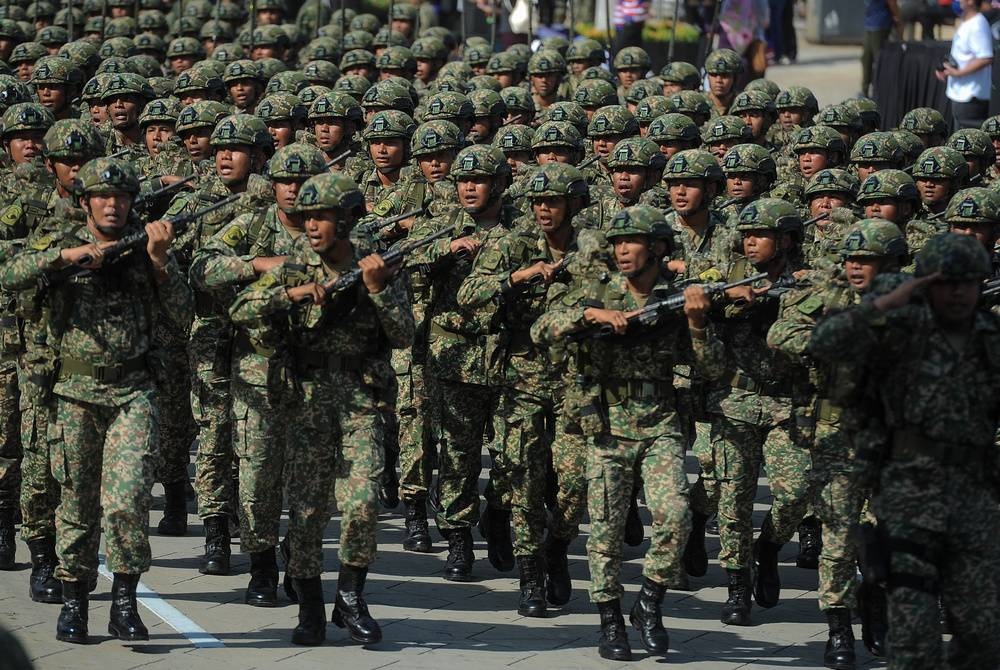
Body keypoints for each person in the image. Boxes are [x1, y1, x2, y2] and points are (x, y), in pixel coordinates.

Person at [0, 157, 192, 645]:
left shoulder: (146, 246)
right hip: (75, 394)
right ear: (84, 202)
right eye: (103, 197)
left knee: (127, 502)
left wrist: (160, 262)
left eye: (122, 197)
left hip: (133, 392)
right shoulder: (60, 239)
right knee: (77, 503)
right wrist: (66, 258)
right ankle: (75, 601)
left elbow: (183, 313)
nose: (113, 205)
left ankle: (125, 601)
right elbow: (11, 273)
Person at [229, 171, 413, 647]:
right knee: (308, 510)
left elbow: (404, 335)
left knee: (363, 502)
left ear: (346, 220)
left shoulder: (378, 264)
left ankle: (350, 596)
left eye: (322, 217)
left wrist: (377, 289)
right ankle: (310, 607)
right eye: (307, 216)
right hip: (307, 401)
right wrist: (288, 294)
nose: (312, 225)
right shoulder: (295, 265)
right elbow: (241, 309)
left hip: (360, 400)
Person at [531, 205, 723, 661]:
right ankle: (610, 619)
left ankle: (650, 601)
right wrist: (590, 315)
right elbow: (542, 330)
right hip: (606, 425)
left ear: (656, 248)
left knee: (675, 517)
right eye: (617, 242)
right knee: (606, 531)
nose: (621, 250)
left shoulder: (676, 300)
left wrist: (698, 324)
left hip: (660, 424)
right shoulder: (596, 290)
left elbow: (713, 368)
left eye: (631, 242)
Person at [810, 232, 1000, 669]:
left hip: (973, 496)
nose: (957, 293)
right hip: (909, 494)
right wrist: (881, 305)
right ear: (925, 284)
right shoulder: (899, 331)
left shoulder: (990, 337)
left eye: (966, 283)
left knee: (982, 630)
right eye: (945, 283)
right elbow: (826, 343)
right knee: (914, 632)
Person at [935, 0, 993, 130]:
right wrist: (947, 68)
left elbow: (985, 58)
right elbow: (963, 56)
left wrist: (959, 73)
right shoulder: (966, 23)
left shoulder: (978, 24)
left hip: (972, 97)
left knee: (969, 139)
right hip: (960, 95)